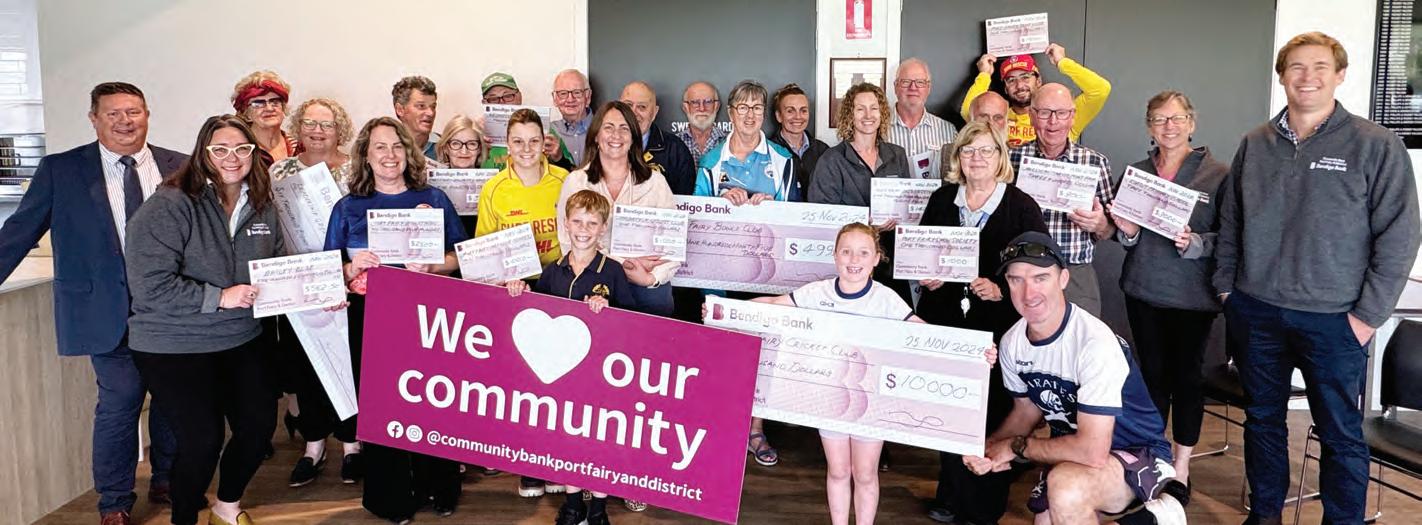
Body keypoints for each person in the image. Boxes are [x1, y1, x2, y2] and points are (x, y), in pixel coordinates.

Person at [1215, 32, 1421, 525]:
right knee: (1262, 421)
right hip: (1257, 311)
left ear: (1340, 75)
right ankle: (1264, 515)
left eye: (1320, 67)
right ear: (1282, 76)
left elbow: (1400, 234)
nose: (1307, 77)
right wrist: (1227, 289)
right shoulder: (1255, 143)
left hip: (1335, 319)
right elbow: (1231, 221)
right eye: (1296, 67)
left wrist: (1367, 317)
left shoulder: (1376, 144)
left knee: (1339, 434)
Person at [0, 81, 180, 525]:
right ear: (94, 119)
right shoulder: (62, 170)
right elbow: (21, 230)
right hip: (105, 312)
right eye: (113, 113)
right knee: (120, 402)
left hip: (172, 311)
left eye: (133, 111)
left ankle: (168, 479)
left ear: (147, 114)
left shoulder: (180, 166)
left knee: (174, 399)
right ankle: (114, 501)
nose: (125, 121)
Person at [738, 223, 994, 525]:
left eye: (863, 253)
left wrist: (975, 352)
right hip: (828, 400)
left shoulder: (885, 299)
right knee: (837, 471)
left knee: (865, 473)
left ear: (876, 258)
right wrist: (724, 312)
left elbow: (925, 333)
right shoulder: (817, 292)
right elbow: (772, 305)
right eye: (846, 252)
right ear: (835, 256)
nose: (854, 259)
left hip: (872, 402)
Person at [124, 114, 285, 525]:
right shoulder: (170, 204)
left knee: (257, 428)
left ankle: (226, 507)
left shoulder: (262, 203)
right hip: (174, 342)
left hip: (240, 336)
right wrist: (219, 297)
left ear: (253, 153)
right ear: (203, 153)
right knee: (201, 441)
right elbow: (149, 286)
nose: (233, 158)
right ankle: (184, 518)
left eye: (242, 149)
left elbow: (281, 266)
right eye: (221, 149)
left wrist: (328, 288)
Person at [965, 231, 1188, 525]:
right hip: (1073, 452)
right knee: (1048, 516)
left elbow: (1092, 452)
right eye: (1016, 280)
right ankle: (1152, 520)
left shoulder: (1094, 343)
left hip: (1136, 452)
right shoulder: (1012, 342)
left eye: (1040, 278)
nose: (1028, 293)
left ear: (1063, 279)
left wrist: (1014, 447)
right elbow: (1026, 410)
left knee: (1067, 490)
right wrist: (989, 448)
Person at [324, 117, 466, 523]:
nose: (390, 155)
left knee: (433, 400)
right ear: (366, 156)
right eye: (380, 147)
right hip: (371, 317)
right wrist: (352, 267)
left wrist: (433, 265)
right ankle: (391, 497)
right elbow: (326, 269)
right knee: (383, 408)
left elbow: (461, 257)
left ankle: (439, 484)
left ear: (409, 152)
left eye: (397, 146)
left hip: (428, 316)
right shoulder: (347, 207)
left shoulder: (433, 198)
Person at [916, 121, 1047, 525]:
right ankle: (950, 494)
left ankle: (984, 504)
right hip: (946, 323)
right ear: (958, 157)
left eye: (986, 150)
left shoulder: (1021, 206)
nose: (976, 158)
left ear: (1000, 157)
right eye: (968, 150)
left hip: (998, 328)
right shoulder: (942, 199)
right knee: (949, 407)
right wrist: (926, 275)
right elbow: (921, 251)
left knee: (993, 412)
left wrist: (1002, 290)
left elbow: (1039, 268)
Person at [1107, 91, 1227, 486]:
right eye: (1159, 119)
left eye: (1176, 119)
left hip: (1193, 298)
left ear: (1192, 123)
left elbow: (1229, 237)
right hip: (1143, 291)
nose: (1169, 127)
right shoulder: (1137, 173)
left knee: (1187, 379)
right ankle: (1155, 457)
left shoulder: (1217, 174)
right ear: (1149, 126)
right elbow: (1126, 238)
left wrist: (1195, 243)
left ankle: (1183, 464)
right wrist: (1126, 232)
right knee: (1152, 377)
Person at [507, 190, 636, 525]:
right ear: (565, 223)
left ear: (603, 227)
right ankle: (574, 503)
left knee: (599, 440)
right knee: (567, 440)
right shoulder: (553, 270)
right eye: (577, 221)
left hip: (601, 375)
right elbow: (538, 315)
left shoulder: (613, 271)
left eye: (592, 223)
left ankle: (598, 508)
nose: (584, 229)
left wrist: (609, 309)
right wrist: (522, 292)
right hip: (563, 376)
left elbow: (632, 323)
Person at [267, 97, 362, 489]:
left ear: (340, 129)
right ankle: (314, 444)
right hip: (299, 282)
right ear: (298, 128)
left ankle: (352, 444)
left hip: (346, 278)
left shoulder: (356, 169)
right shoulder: (280, 171)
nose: (318, 131)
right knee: (307, 365)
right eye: (309, 123)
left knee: (348, 361)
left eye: (326, 124)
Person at [557, 101, 680, 318]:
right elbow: (567, 242)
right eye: (608, 127)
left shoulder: (656, 182)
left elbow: (674, 245)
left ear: (633, 138)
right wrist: (623, 265)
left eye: (624, 128)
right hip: (592, 289)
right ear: (596, 135)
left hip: (647, 290)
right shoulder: (576, 182)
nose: (616, 135)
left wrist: (651, 279)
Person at [1007, 84, 1115, 316]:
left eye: (1062, 113)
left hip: (1075, 273)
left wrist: (1100, 224)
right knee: (1019, 337)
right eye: (1044, 113)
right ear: (1032, 115)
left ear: (1072, 116)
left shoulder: (1095, 163)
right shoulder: (1010, 159)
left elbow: (1112, 230)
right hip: (1023, 271)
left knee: (1079, 337)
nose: (1053, 122)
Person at [807, 82, 912, 304]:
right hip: (851, 264)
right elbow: (820, 214)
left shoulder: (897, 155)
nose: (868, 115)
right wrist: (865, 222)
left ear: (882, 114)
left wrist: (905, 218)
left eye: (874, 108)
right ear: (849, 114)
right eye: (860, 109)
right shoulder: (832, 160)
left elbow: (909, 205)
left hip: (891, 262)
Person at [961, 44, 1112, 148]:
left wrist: (1062, 62)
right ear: (1006, 88)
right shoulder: (998, 117)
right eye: (1011, 80)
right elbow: (969, 111)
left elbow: (1100, 90)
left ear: (1038, 81)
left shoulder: (1059, 117)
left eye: (1025, 77)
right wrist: (984, 75)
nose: (1019, 85)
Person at [476, 108, 569, 270]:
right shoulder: (492, 189)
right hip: (513, 279)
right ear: (508, 145)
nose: (527, 149)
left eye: (534, 141)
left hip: (559, 275)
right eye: (518, 141)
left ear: (543, 143)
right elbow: (484, 251)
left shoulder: (564, 180)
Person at [694, 79, 798, 203]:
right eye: (743, 108)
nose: (750, 115)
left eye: (757, 108)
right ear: (730, 113)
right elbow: (699, 209)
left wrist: (772, 206)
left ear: (763, 113)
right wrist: (721, 202)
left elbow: (792, 211)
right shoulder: (710, 162)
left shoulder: (783, 159)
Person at [480, 72, 574, 172]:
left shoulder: (543, 129)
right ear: (484, 103)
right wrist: (477, 145)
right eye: (493, 99)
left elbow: (570, 174)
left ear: (519, 97)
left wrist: (558, 157)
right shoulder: (479, 134)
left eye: (507, 96)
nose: (502, 103)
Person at [619, 81, 695, 196]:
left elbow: (685, 201)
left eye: (642, 107)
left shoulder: (675, 150)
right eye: (628, 105)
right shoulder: (604, 144)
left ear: (654, 112)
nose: (633, 113)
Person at [889, 58, 957, 180]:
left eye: (920, 82)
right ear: (895, 86)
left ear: (928, 87)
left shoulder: (948, 131)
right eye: (906, 82)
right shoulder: (877, 129)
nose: (913, 87)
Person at [433, 114, 490, 236]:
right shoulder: (431, 188)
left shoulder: (492, 185)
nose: (464, 151)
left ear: (480, 149)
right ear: (445, 148)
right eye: (455, 144)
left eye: (472, 144)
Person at [769, 83, 829, 192]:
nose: (798, 116)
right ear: (779, 116)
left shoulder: (823, 151)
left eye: (803, 111)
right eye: (790, 111)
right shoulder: (768, 151)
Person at [231, 70, 297, 163]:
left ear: (283, 108)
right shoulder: (239, 152)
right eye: (258, 104)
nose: (269, 108)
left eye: (275, 102)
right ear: (246, 113)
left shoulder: (299, 147)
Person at [943, 92, 1010, 179]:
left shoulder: (1017, 154)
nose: (991, 123)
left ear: (1006, 122)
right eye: (984, 116)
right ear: (970, 119)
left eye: (998, 117)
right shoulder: (947, 154)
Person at [676, 80, 729, 166]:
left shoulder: (729, 143)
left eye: (708, 102)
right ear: (686, 107)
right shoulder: (673, 144)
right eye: (695, 102)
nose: (702, 108)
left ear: (716, 106)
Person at [549, 69, 593, 166]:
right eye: (563, 93)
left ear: (588, 96)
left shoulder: (604, 129)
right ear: (555, 99)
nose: (570, 99)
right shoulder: (548, 133)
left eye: (577, 92)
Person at [391, 76, 439, 159]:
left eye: (433, 107)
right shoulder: (385, 148)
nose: (431, 113)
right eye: (421, 106)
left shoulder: (448, 147)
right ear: (400, 110)